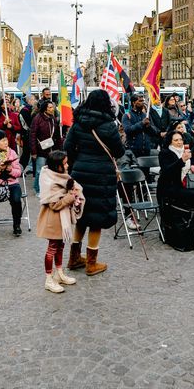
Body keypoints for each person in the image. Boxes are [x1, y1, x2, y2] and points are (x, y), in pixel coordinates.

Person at [63, 89, 124, 276]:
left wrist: (78, 161)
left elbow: (67, 147)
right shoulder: (108, 125)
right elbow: (119, 152)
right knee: (96, 219)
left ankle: (73, 257)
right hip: (102, 175)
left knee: (81, 216)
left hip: (80, 173)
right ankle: (91, 263)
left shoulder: (78, 122)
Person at [36, 150, 82, 293]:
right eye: (65, 163)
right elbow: (54, 204)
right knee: (52, 248)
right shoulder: (49, 181)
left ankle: (59, 273)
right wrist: (71, 196)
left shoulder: (61, 176)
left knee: (60, 246)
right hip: (52, 219)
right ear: (57, 166)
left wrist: (75, 194)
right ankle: (49, 279)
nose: (67, 166)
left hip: (62, 220)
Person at [29, 100, 62, 194]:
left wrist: (59, 148)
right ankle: (38, 190)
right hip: (40, 149)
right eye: (50, 107)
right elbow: (32, 135)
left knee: (50, 170)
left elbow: (56, 135)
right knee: (40, 171)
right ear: (45, 108)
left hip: (51, 148)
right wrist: (33, 151)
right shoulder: (37, 118)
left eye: (53, 107)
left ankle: (48, 189)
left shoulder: (53, 118)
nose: (52, 109)